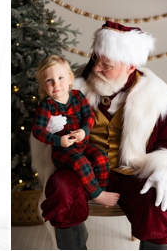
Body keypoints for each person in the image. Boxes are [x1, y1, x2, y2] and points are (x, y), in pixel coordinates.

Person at [35, 22, 167, 250]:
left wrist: (164, 171)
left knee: (158, 206)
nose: (96, 69)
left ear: (130, 67)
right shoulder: (76, 91)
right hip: (84, 168)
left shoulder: (156, 94)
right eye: (96, 60)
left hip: (132, 173)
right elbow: (49, 126)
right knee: (61, 189)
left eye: (107, 65)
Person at [32, 55, 119, 208]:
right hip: (63, 150)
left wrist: (84, 131)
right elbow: (37, 131)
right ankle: (98, 195)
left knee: (101, 158)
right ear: (43, 85)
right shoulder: (47, 106)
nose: (56, 84)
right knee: (81, 163)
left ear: (70, 79)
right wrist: (59, 140)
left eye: (60, 78)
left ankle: (98, 190)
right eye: (49, 81)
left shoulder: (78, 97)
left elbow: (89, 116)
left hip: (83, 144)